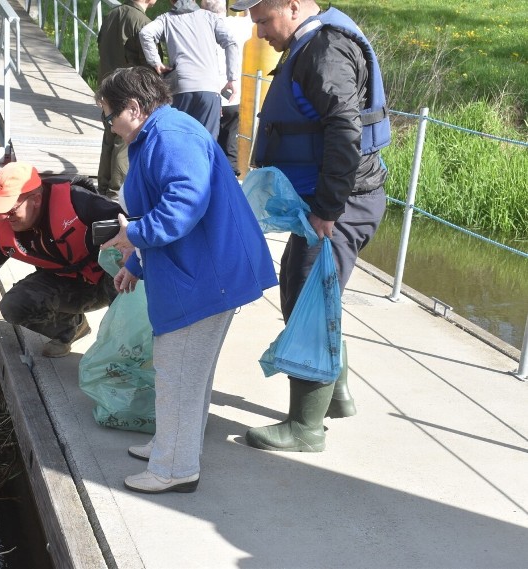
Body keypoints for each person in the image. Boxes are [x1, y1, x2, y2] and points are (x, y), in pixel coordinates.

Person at [95, 66, 277, 493]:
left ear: (135, 108)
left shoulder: (172, 137)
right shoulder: (157, 132)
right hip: (197, 270)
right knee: (187, 371)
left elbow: (182, 205)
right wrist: (136, 263)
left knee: (178, 372)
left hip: (207, 276)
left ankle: (174, 470)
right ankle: (173, 446)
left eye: (110, 115)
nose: (108, 126)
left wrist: (132, 235)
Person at [243, 0, 391, 452]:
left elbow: (345, 130)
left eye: (265, 21)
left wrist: (327, 209)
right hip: (328, 203)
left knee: (310, 301)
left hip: (340, 206)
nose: (261, 34)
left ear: (292, 6)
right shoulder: (311, 43)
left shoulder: (325, 49)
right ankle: (337, 396)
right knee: (307, 289)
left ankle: (306, 428)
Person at [0, 162, 124, 358]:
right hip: (69, 286)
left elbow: (132, 230)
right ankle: (71, 328)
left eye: (10, 209)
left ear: (35, 199)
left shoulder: (81, 204)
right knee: (13, 306)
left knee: (123, 266)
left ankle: (123, 348)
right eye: (0, 209)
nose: (5, 216)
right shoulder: (6, 223)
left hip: (111, 283)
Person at [138, 0, 240, 139]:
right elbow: (231, 42)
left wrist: (156, 62)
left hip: (181, 87)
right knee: (206, 143)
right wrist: (232, 78)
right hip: (209, 88)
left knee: (180, 139)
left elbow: (145, 33)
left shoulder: (166, 19)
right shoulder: (210, 17)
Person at [96, 0, 158, 199]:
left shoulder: (112, 14)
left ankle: (103, 188)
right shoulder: (144, 23)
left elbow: (100, 44)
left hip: (107, 88)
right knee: (124, 143)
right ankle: (116, 193)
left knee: (108, 138)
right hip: (129, 93)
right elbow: (150, 65)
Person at [203, 0, 253, 177]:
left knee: (208, 140)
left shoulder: (200, 27)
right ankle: (231, 178)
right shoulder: (238, 25)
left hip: (207, 94)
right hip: (232, 95)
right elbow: (249, 19)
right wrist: (245, 6)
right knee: (231, 141)